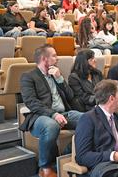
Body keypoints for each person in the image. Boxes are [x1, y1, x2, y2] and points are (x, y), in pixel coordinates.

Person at [19, 44, 83, 177]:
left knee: (87, 120)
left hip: (64, 113)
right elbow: (31, 102)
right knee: (51, 125)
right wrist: (53, 114)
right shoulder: (28, 77)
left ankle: (65, 154)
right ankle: (45, 167)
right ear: (44, 59)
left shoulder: (56, 74)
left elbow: (71, 97)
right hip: (40, 116)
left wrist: (60, 79)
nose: (57, 58)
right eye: (54, 55)